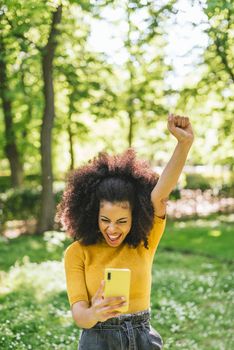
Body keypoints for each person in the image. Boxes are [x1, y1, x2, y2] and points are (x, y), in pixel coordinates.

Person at [56, 113, 194, 350]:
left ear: (135, 217)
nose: (112, 229)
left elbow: (160, 194)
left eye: (121, 221)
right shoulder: (77, 253)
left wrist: (184, 143)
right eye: (105, 220)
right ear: (92, 215)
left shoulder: (144, 241)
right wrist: (95, 312)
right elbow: (79, 316)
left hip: (143, 339)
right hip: (97, 339)